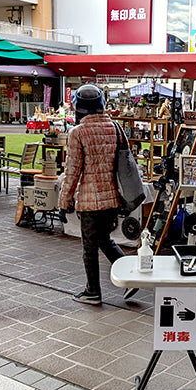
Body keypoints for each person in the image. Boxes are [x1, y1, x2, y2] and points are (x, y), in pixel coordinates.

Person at [57, 84, 137, 304]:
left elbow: (72, 171)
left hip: (90, 201)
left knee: (90, 248)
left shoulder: (78, 132)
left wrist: (63, 203)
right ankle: (132, 278)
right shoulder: (115, 127)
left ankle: (93, 291)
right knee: (105, 240)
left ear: (78, 108)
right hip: (113, 198)